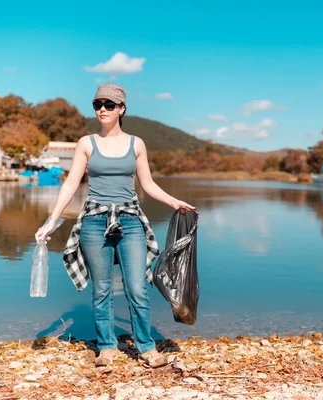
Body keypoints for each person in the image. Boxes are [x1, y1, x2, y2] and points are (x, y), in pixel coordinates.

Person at [35, 83, 195, 368]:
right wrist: (50, 221)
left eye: (109, 104)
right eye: (98, 104)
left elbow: (147, 183)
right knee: (102, 289)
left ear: (121, 108)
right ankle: (107, 347)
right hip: (95, 222)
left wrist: (174, 202)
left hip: (131, 222)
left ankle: (146, 347)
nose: (103, 110)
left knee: (137, 288)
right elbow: (71, 183)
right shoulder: (86, 143)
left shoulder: (136, 144)